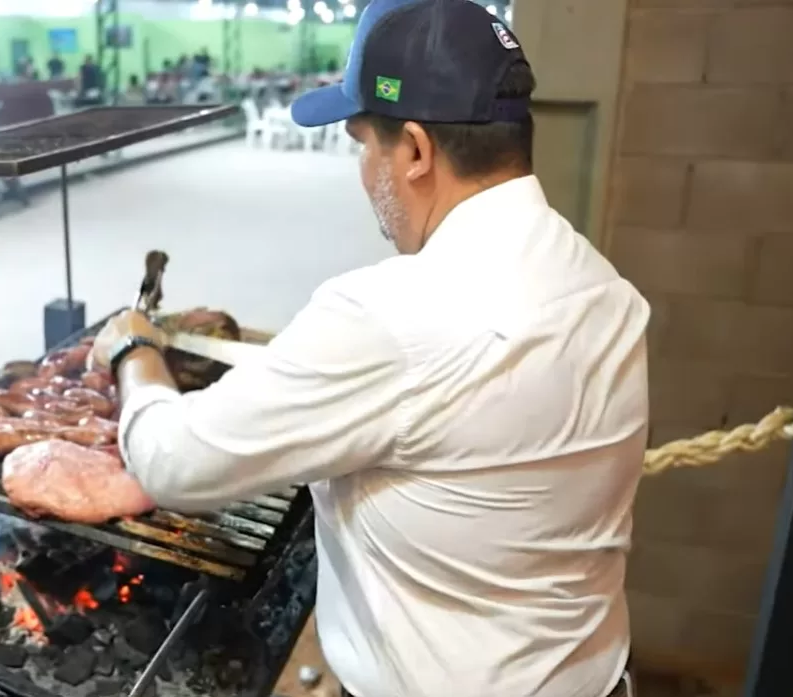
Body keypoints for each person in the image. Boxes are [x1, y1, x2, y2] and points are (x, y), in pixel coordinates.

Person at [90, 1, 646, 696]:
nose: (363, 170)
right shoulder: (602, 286)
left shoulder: (389, 315)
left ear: (413, 150)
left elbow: (174, 463)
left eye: (363, 143)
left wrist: (132, 351)